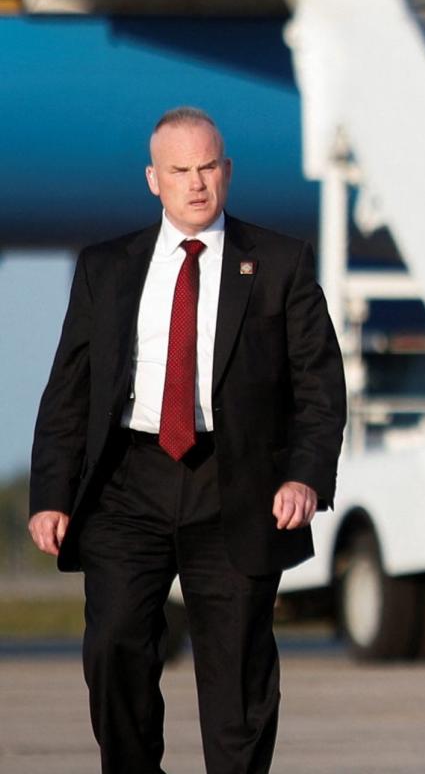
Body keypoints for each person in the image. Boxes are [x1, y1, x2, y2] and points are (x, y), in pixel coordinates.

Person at [27, 107, 347, 774]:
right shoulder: (106, 267)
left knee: (236, 671)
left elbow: (320, 386)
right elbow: (70, 390)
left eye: (208, 168)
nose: (196, 184)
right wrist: (50, 494)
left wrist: (304, 476)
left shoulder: (281, 263)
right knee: (115, 646)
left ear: (226, 172)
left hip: (232, 485)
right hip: (126, 481)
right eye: (180, 171)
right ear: (153, 179)